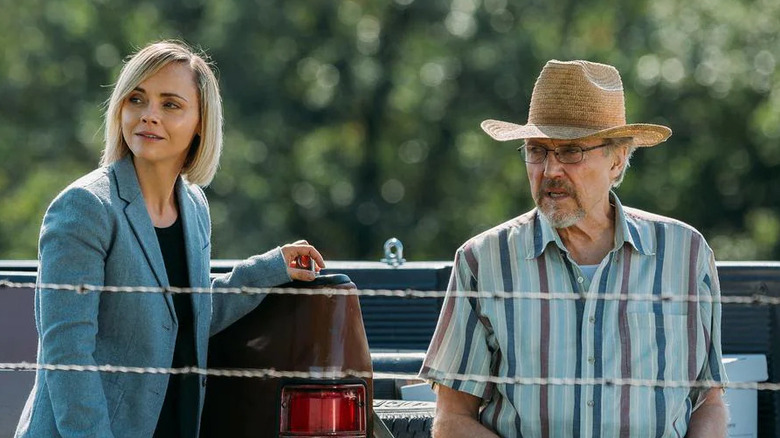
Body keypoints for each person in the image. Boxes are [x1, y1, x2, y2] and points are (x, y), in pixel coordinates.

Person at [14, 40, 325, 438]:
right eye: (137, 99)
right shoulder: (84, 208)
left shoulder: (194, 206)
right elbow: (68, 357)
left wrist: (271, 269)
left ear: (201, 123)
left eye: (170, 104)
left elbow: (185, 317)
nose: (149, 116)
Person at [419, 60, 728, 437]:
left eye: (570, 151)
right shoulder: (483, 261)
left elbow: (708, 403)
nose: (550, 171)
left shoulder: (686, 255)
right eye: (536, 150)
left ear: (617, 160)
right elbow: (451, 420)